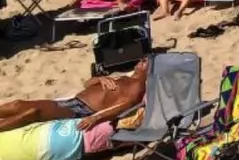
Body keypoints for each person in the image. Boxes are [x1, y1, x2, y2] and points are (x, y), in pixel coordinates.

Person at [0, 61, 148, 134]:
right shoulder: (123, 77)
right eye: (141, 60)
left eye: (145, 61)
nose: (140, 62)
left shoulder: (137, 85)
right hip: (72, 101)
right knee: (17, 104)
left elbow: (126, 105)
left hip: (82, 110)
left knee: (33, 112)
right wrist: (101, 79)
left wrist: (96, 118)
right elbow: (87, 83)